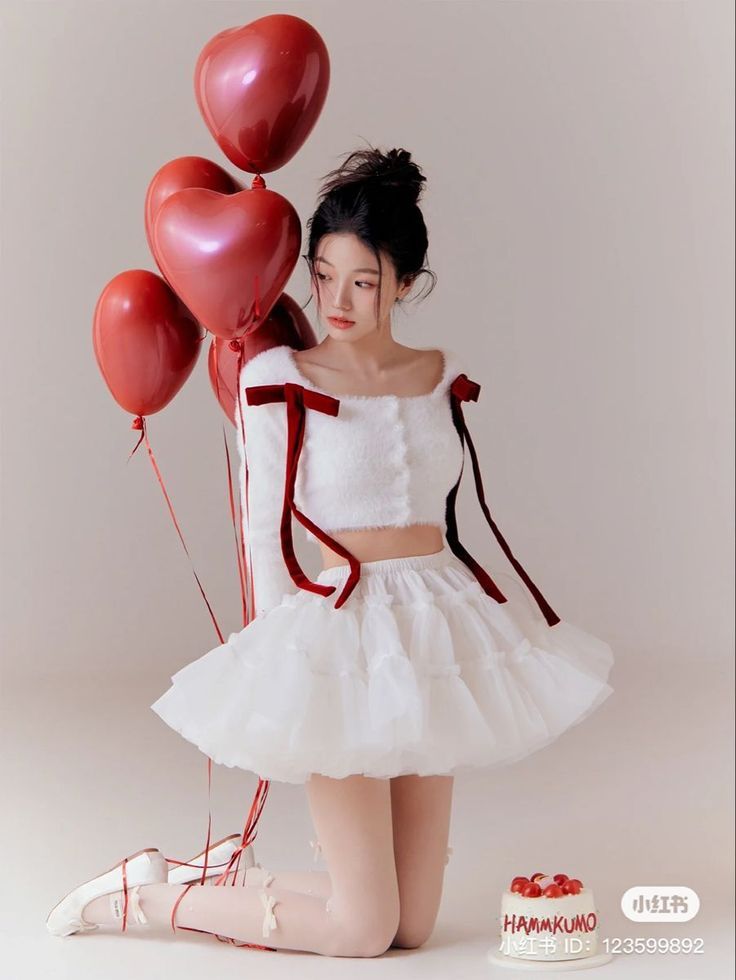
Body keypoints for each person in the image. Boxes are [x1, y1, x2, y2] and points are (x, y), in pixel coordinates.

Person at [46, 146, 614, 956]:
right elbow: (260, 524)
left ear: (405, 285)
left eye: (363, 282)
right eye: (323, 275)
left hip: (435, 620)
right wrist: (284, 661)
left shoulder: (442, 374)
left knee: (410, 928)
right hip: (343, 626)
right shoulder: (279, 378)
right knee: (362, 927)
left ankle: (212, 883)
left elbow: (451, 511)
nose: (337, 301)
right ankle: (140, 903)